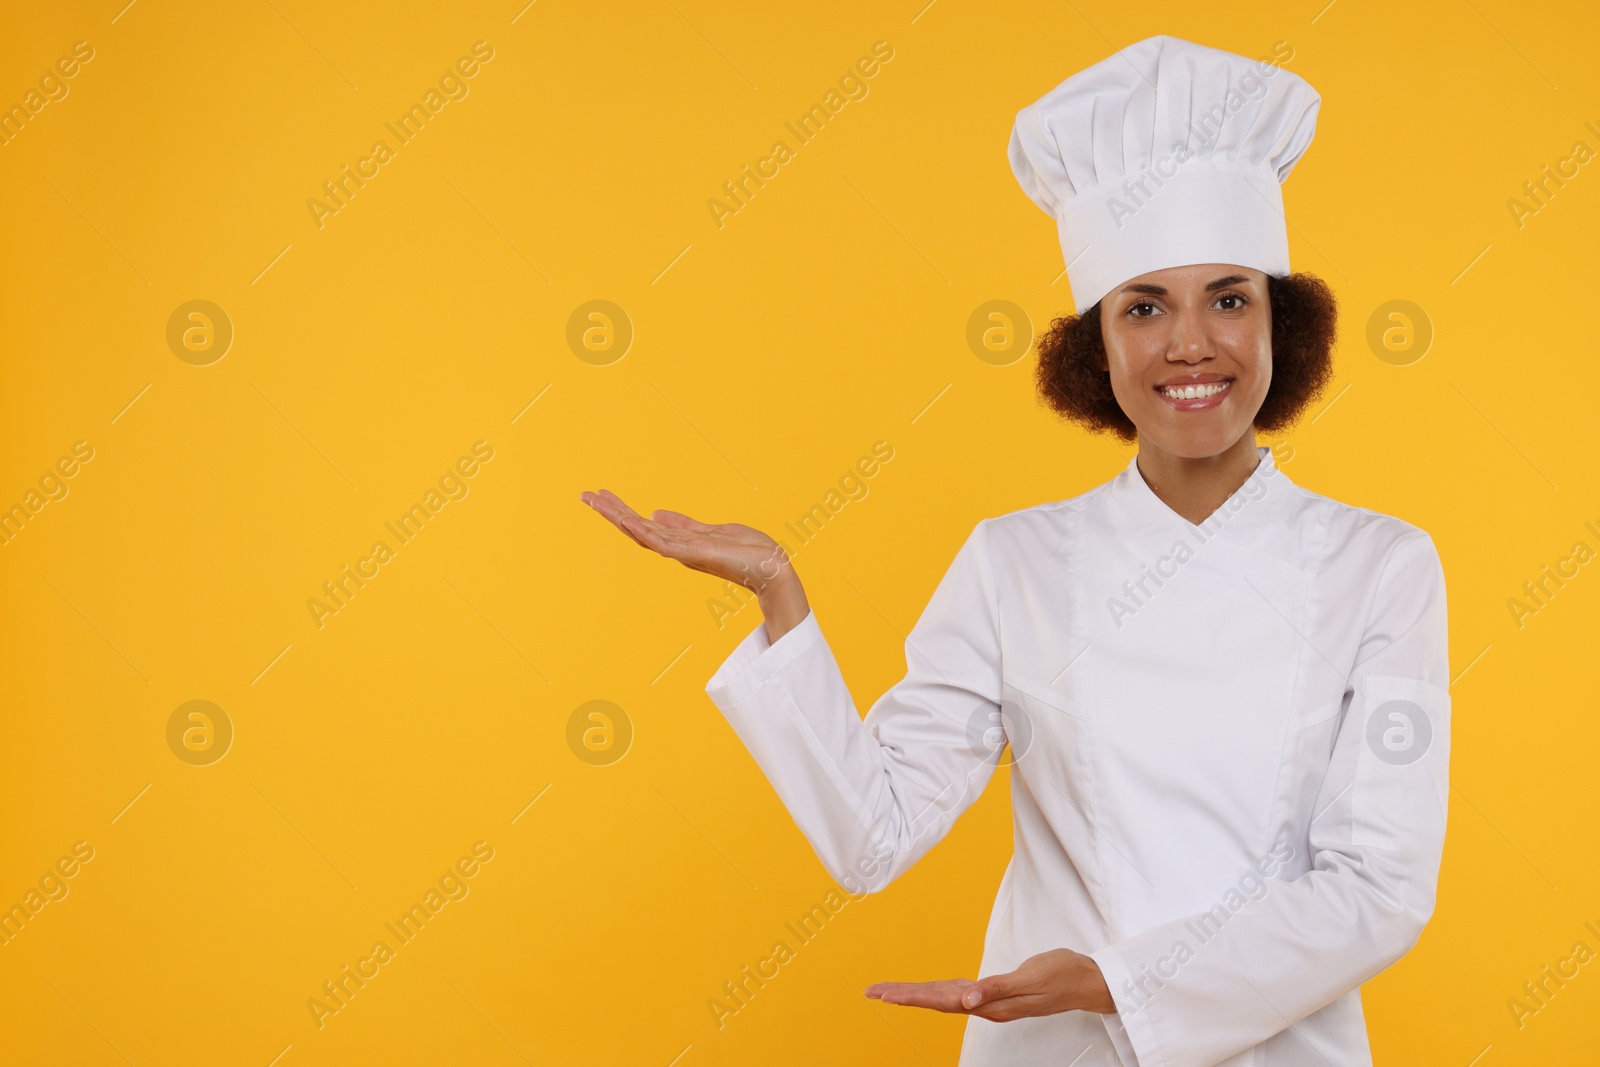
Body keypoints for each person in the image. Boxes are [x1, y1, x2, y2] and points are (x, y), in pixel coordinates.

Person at [581, 35, 1450, 1067]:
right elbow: (875, 834)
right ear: (1095, 344)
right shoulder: (1013, 563)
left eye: (1228, 296)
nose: (1189, 343)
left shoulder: (1380, 563)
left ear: (1280, 324)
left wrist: (1116, 981)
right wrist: (779, 597)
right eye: (1142, 306)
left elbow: (1379, 886)